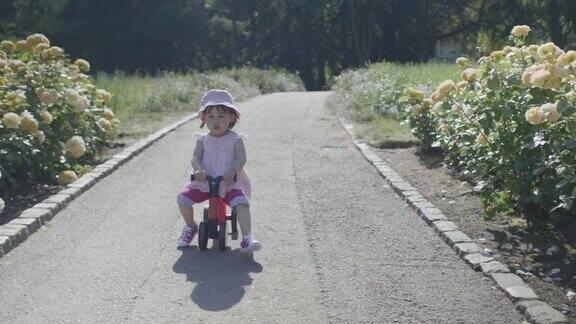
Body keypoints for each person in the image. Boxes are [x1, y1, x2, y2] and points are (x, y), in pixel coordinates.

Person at [176, 89, 262, 252]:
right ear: (204, 119)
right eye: (211, 116)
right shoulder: (203, 139)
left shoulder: (235, 139)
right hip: (204, 181)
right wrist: (198, 169)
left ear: (231, 117)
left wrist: (232, 171)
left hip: (229, 182)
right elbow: (195, 157)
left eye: (221, 116)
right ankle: (190, 227)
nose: (216, 121)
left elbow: (241, 158)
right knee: (182, 199)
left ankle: (247, 238)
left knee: (242, 205)